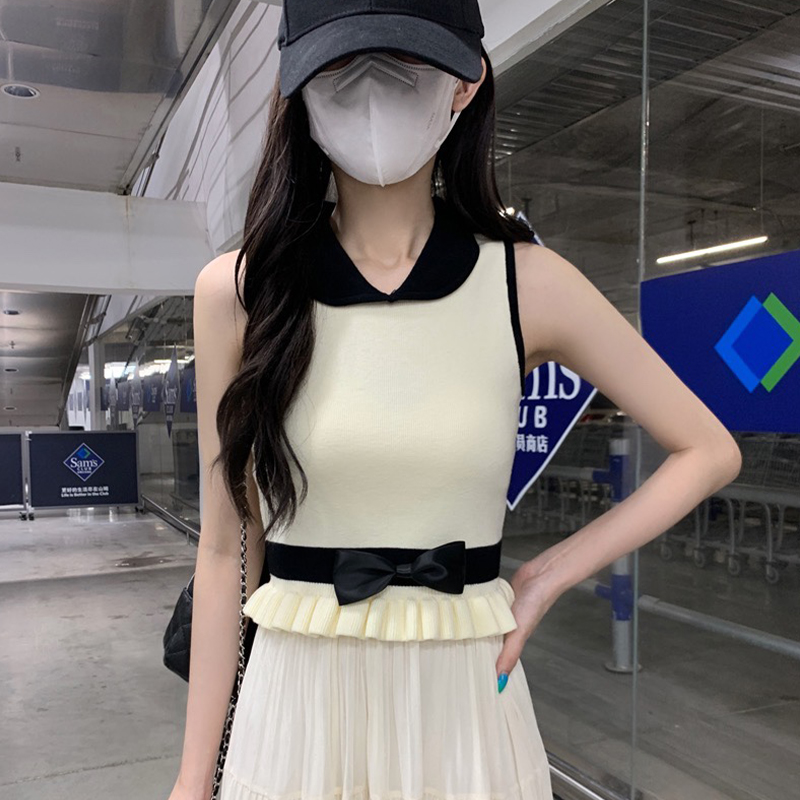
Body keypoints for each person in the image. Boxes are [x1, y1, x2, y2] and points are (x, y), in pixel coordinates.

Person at [169, 1, 742, 799]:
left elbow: (708, 449)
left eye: (403, 63)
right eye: (340, 64)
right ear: (297, 88)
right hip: (297, 703)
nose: (371, 91)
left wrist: (547, 574)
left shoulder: (526, 283)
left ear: (465, 83)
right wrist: (193, 779)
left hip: (463, 701)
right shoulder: (241, 291)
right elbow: (226, 549)